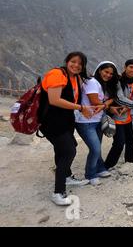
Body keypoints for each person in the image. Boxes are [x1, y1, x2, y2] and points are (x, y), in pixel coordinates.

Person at [39, 52, 97, 206]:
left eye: (80, 63)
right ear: (67, 61)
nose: (76, 65)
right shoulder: (57, 74)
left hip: (65, 121)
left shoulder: (75, 78)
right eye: (73, 61)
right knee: (69, 151)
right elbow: (54, 99)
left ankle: (66, 176)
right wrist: (81, 107)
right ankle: (58, 192)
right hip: (51, 122)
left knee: (64, 149)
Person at [75, 61, 119, 185]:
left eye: (111, 73)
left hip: (98, 119)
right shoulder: (92, 82)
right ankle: (90, 174)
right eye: (106, 72)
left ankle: (100, 168)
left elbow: (111, 99)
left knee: (97, 147)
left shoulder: (103, 84)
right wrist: (106, 104)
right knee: (95, 148)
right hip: (85, 121)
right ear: (99, 70)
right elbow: (95, 101)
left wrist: (105, 104)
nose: (108, 75)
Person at [104, 59, 133, 169]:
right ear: (125, 67)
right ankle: (107, 166)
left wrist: (129, 106)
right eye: (131, 67)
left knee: (130, 141)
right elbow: (119, 98)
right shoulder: (118, 80)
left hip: (128, 116)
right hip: (117, 116)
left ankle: (130, 163)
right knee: (119, 143)